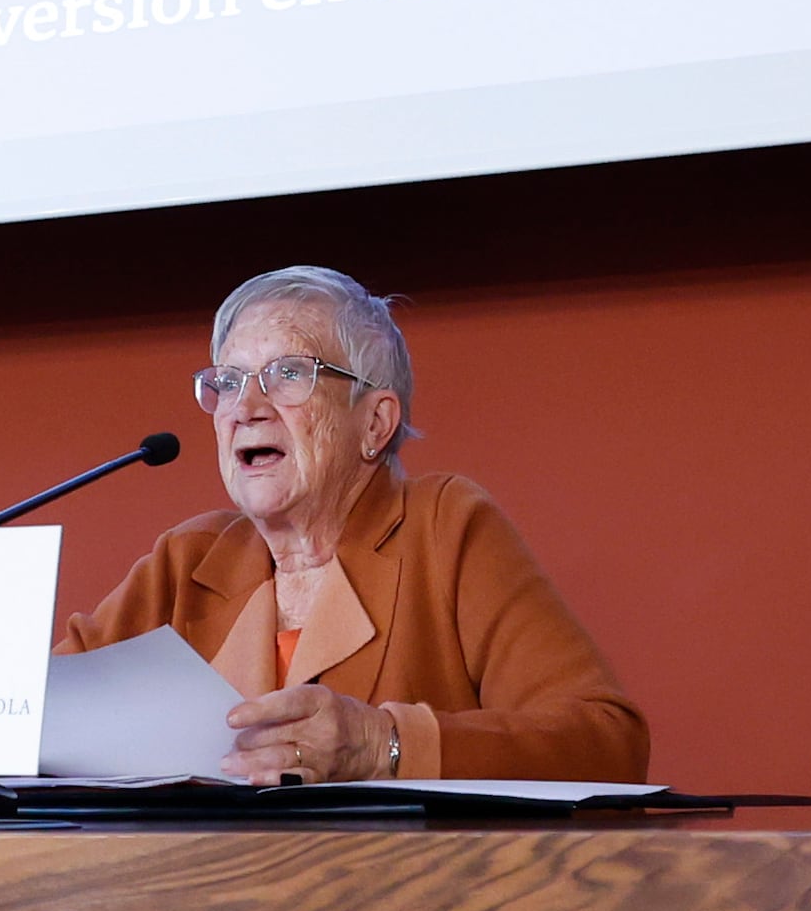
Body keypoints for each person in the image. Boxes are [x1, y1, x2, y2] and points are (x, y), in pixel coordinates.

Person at [61, 266, 648, 785]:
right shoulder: (188, 561)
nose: (246, 408)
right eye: (229, 382)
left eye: (288, 374)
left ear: (375, 423)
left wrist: (383, 745)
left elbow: (606, 741)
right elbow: (39, 715)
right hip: (207, 898)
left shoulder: (444, 528)